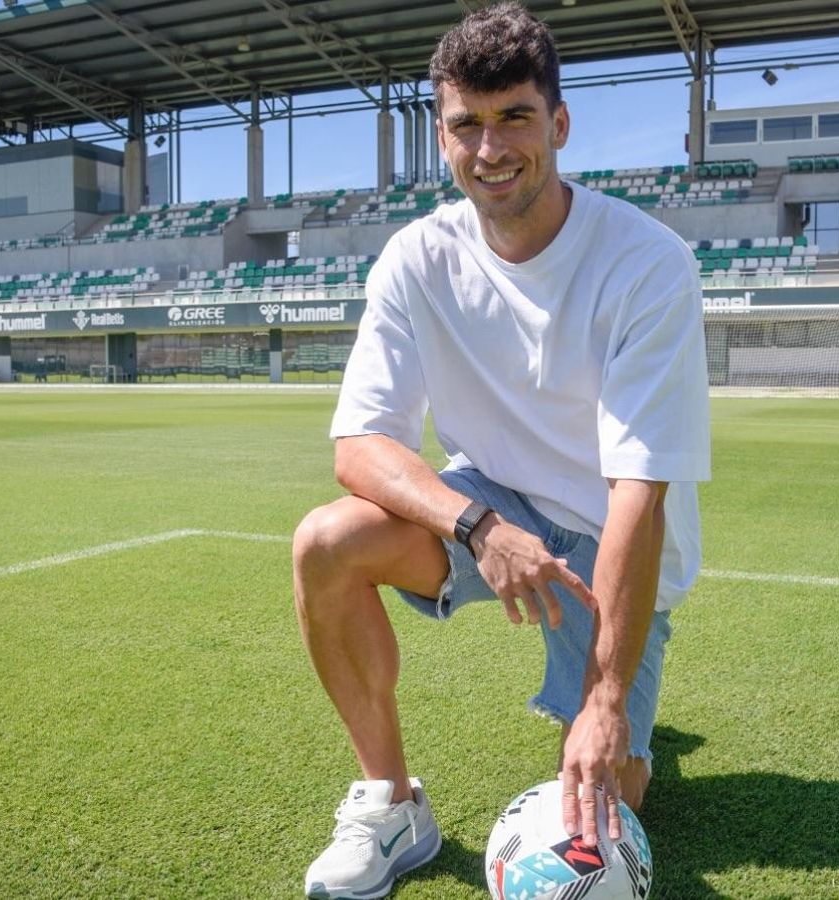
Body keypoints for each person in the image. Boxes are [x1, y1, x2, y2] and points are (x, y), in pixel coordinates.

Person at [292, 4, 710, 897]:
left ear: (558, 124)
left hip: (607, 530)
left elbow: (640, 494)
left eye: (515, 116)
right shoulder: (415, 259)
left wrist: (606, 701)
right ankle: (390, 804)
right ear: (442, 138)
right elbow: (360, 445)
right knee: (325, 542)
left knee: (606, 796)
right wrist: (478, 526)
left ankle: (629, 721)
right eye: (466, 125)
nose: (490, 148)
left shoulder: (646, 262)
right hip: (490, 503)